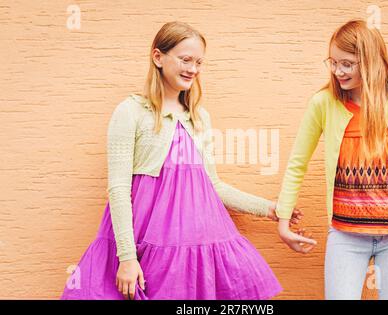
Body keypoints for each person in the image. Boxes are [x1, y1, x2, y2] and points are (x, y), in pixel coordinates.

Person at [60, 21, 306, 300]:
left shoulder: (199, 118)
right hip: (145, 244)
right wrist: (127, 258)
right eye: (185, 59)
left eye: (199, 62)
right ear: (158, 57)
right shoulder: (131, 111)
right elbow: (118, 189)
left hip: (195, 251)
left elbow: (213, 185)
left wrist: (269, 209)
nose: (193, 69)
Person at [275, 19, 388, 299]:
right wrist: (283, 221)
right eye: (332, 62)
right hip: (345, 237)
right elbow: (298, 163)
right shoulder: (323, 103)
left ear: (369, 61)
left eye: (347, 63)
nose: (337, 71)